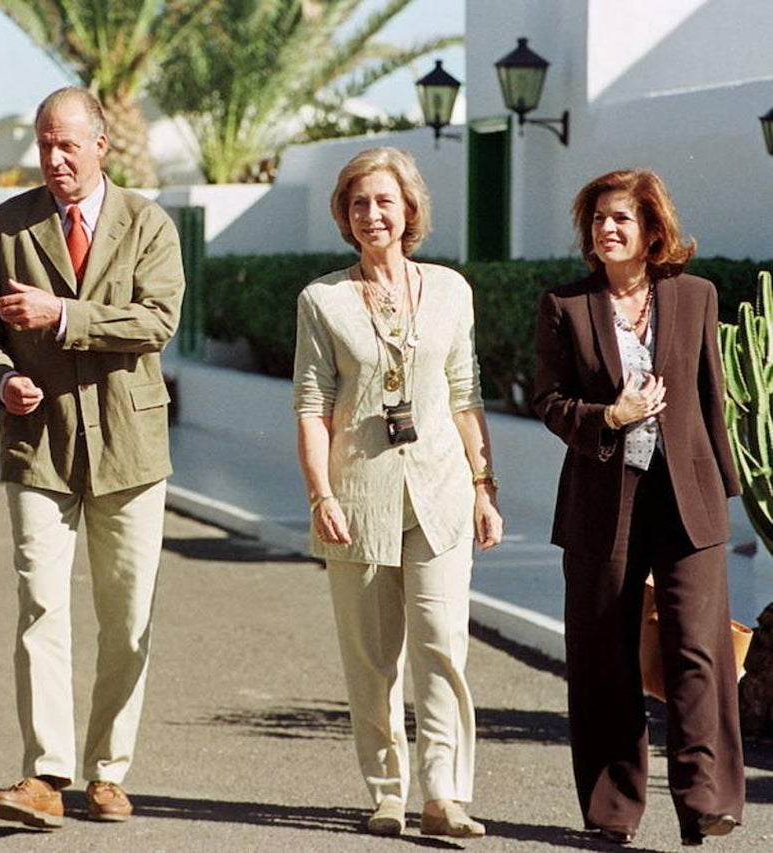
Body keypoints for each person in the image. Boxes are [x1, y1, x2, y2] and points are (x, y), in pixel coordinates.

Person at [0, 86, 184, 829]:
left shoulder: (148, 222)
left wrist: (62, 316)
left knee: (127, 617)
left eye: (67, 145)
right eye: (45, 145)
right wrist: (0, 375)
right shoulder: (5, 226)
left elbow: (157, 321)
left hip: (131, 448)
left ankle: (108, 772)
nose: (53, 158)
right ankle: (45, 773)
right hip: (39, 445)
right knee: (41, 605)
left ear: (101, 145)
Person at [293, 147, 503, 839]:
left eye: (384, 201)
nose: (372, 214)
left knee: (442, 641)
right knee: (372, 657)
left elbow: (466, 395)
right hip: (358, 498)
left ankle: (445, 794)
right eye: (358, 203)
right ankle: (387, 789)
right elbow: (312, 403)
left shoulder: (450, 289)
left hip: (440, 491)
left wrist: (483, 486)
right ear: (345, 216)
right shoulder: (322, 299)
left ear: (409, 209)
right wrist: (321, 493)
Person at [532, 169, 744, 847]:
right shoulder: (564, 304)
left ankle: (706, 798)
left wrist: (724, 497)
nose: (607, 230)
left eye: (621, 218)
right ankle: (611, 809)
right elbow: (549, 402)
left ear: (653, 230)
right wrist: (609, 415)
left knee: (698, 650)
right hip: (602, 498)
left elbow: (712, 397)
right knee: (603, 655)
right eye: (597, 219)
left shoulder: (695, 296)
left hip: (687, 497)